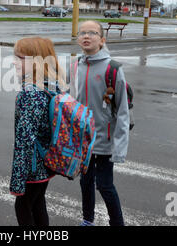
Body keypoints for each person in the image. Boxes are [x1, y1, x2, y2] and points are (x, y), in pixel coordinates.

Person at [74, 20, 130, 226]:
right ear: (78, 39)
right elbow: (70, 103)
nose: (86, 36)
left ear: (102, 40)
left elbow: (123, 111)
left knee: (105, 185)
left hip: (105, 141)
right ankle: (88, 220)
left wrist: (120, 148)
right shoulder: (74, 66)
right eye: (82, 33)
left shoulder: (113, 69)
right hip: (83, 141)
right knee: (85, 182)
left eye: (92, 33)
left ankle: (117, 223)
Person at [10, 37, 65, 226]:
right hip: (47, 162)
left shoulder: (30, 93)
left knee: (23, 207)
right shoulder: (53, 85)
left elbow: (25, 141)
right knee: (38, 204)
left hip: (32, 167)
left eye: (20, 58)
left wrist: (18, 180)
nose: (14, 61)